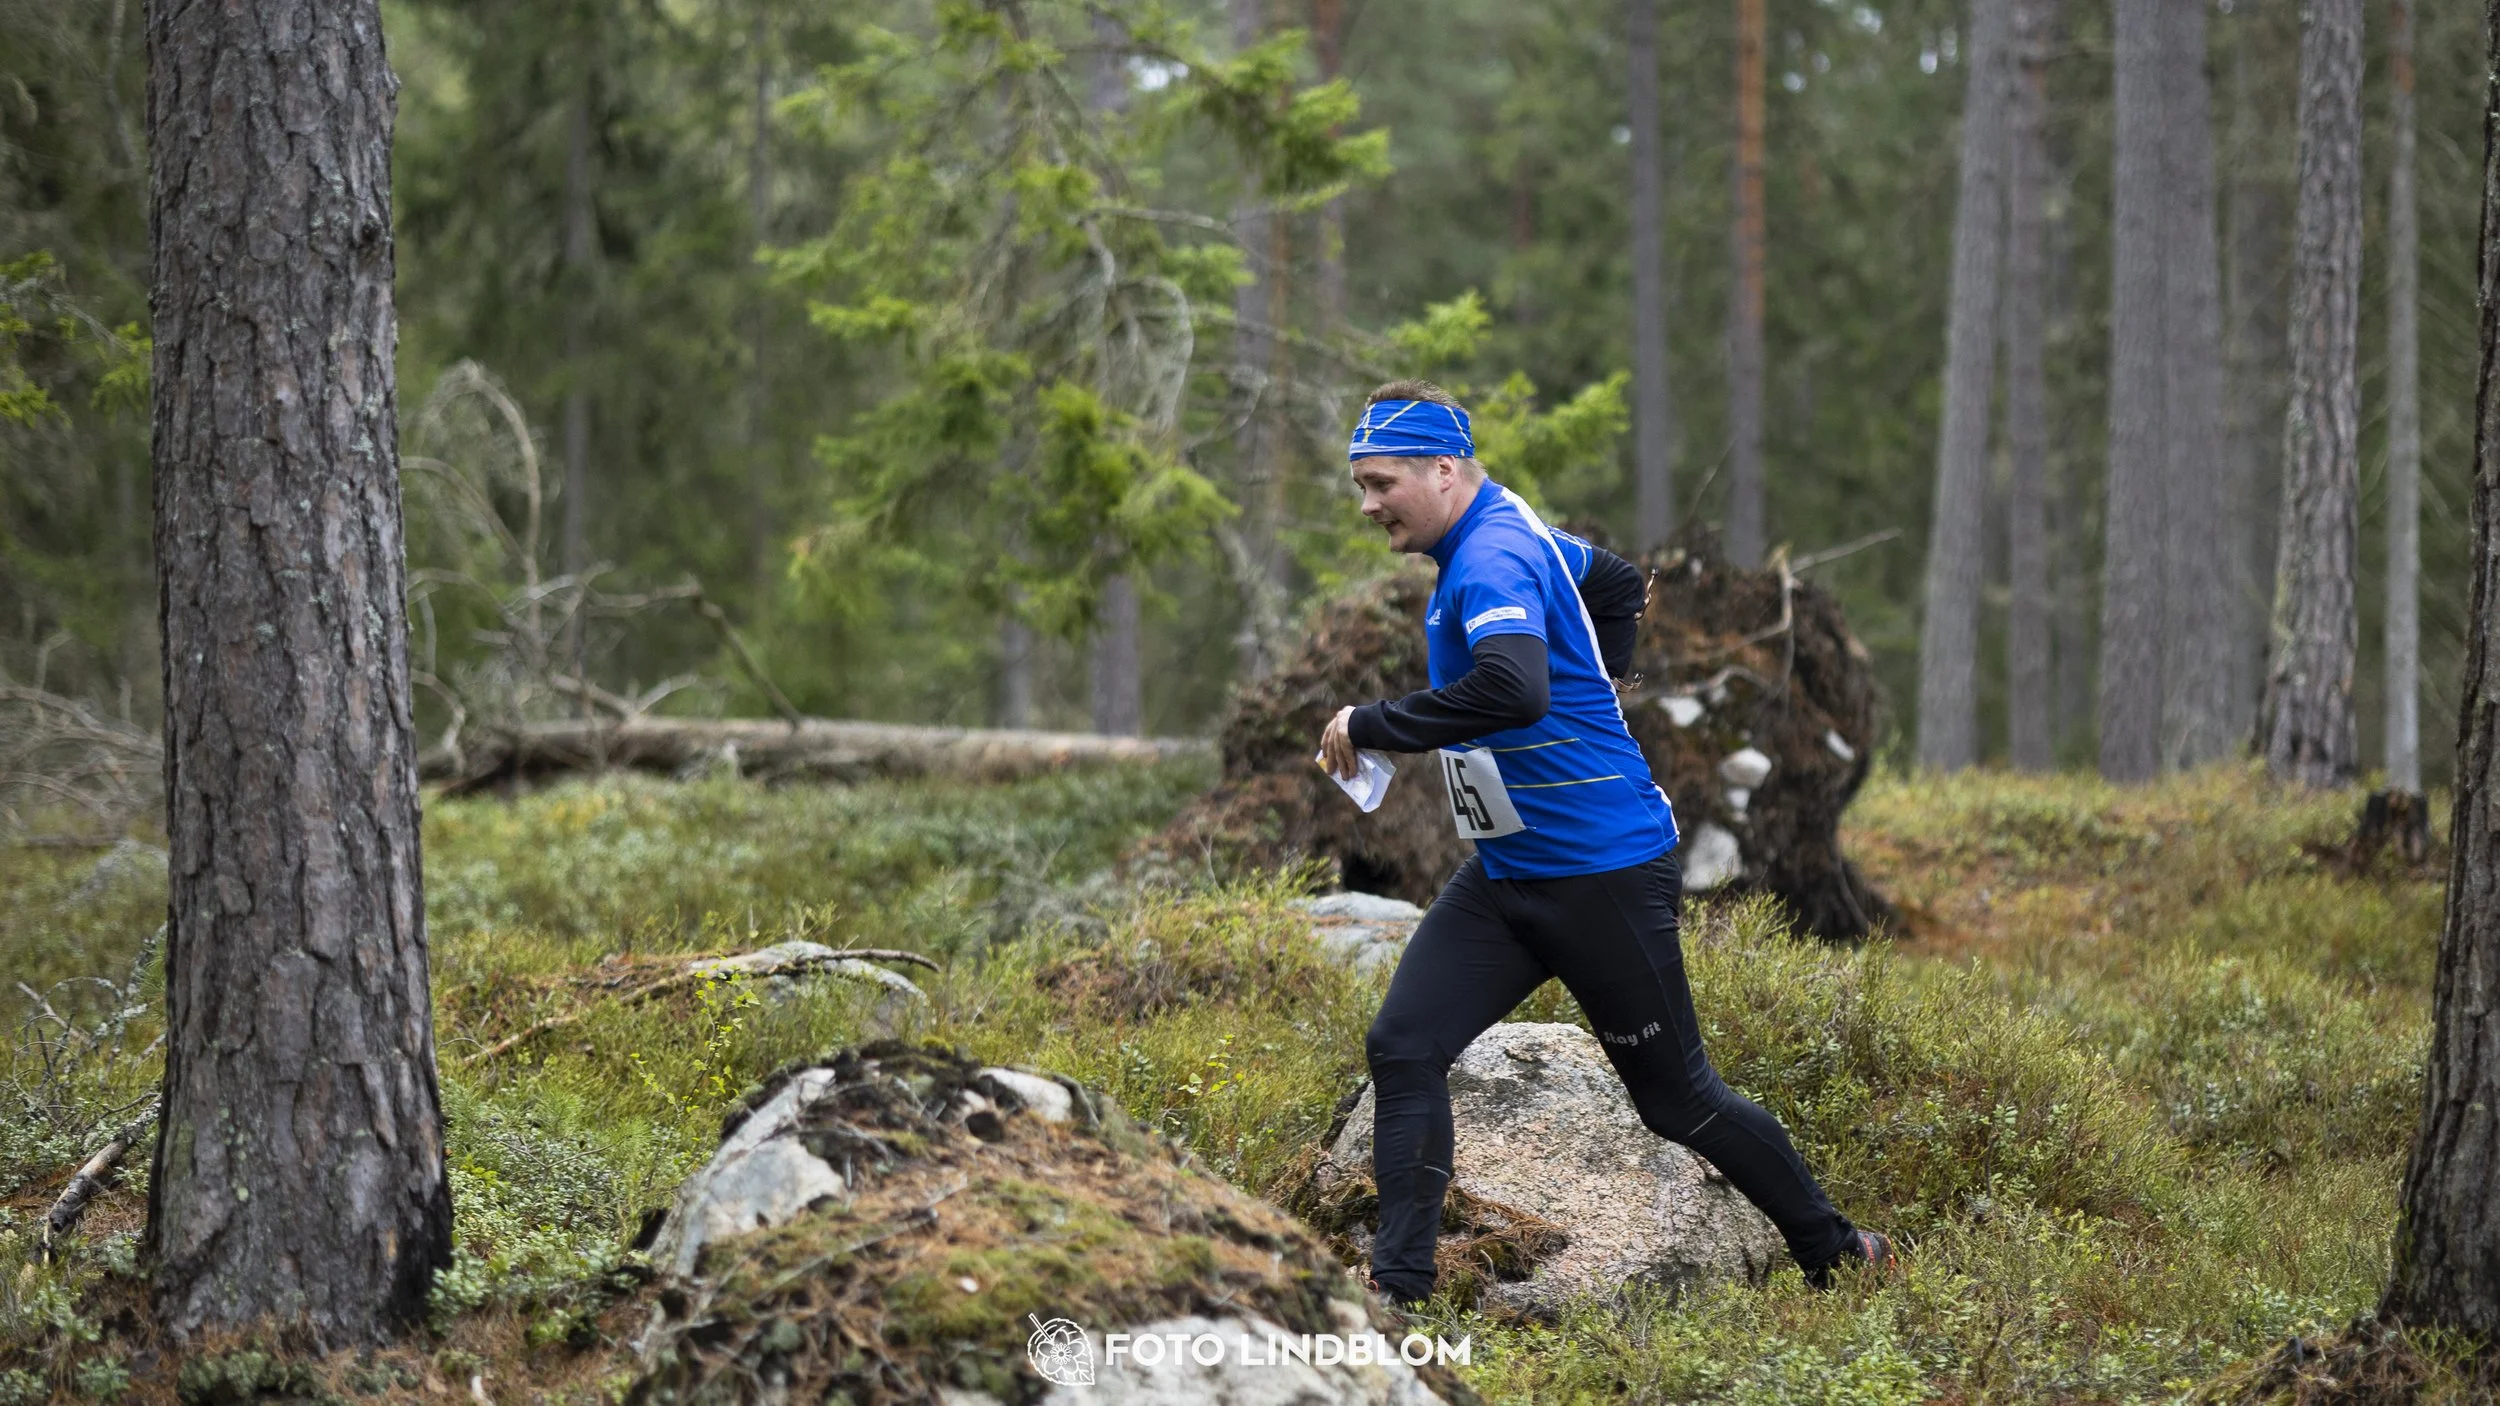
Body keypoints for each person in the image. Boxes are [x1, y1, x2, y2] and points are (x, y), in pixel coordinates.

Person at [1317, 379, 1894, 1309]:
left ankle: (1841, 1252)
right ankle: (1398, 1289)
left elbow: (1514, 690)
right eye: (1360, 485)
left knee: (1680, 1101)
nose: (1367, 504)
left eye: (1381, 483)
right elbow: (1619, 581)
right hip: (1510, 873)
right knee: (1404, 1044)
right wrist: (1603, 678)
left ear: (1444, 469)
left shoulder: (1492, 555)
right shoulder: (1515, 529)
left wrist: (1374, 723)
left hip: (1602, 878)